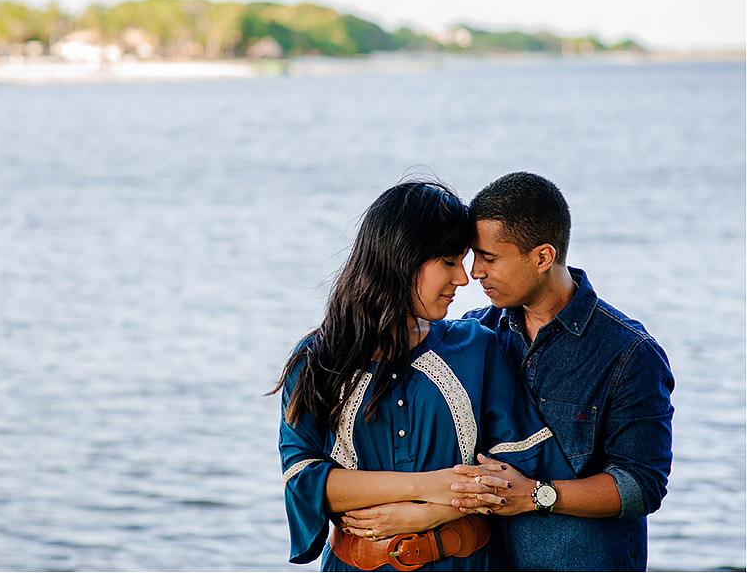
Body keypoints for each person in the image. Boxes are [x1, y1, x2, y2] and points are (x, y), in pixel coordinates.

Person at [273, 180, 575, 571]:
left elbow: (521, 474)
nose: (464, 279)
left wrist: (430, 514)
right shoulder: (317, 361)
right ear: (402, 259)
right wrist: (428, 486)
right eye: (449, 263)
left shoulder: (476, 349)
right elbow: (304, 480)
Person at [451, 171, 674, 571]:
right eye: (473, 256)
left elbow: (642, 486)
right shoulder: (474, 334)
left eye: (489, 257)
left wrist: (536, 495)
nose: (475, 272)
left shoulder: (629, 353)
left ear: (542, 258)